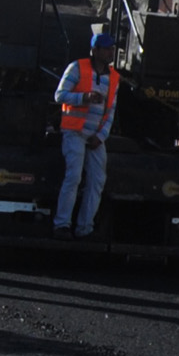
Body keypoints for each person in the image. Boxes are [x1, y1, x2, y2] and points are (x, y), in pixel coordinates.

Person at [53, 29, 120, 240]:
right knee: (73, 177)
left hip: (95, 137)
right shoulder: (77, 68)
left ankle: (85, 228)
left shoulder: (114, 77)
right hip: (74, 132)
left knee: (97, 181)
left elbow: (110, 110)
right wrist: (84, 97)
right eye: (107, 48)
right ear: (96, 50)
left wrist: (100, 136)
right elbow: (59, 95)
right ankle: (62, 224)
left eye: (112, 48)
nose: (110, 52)